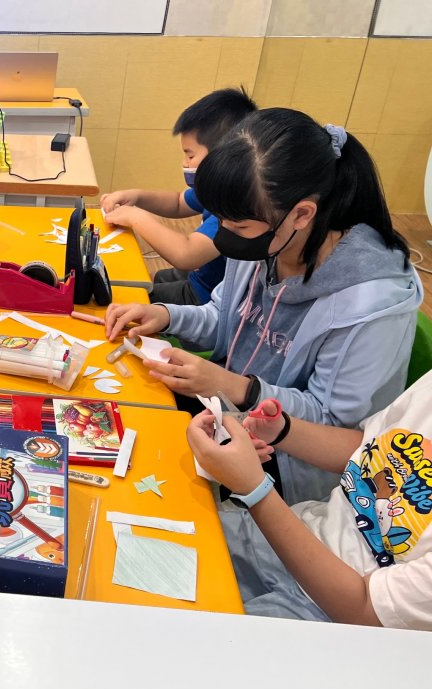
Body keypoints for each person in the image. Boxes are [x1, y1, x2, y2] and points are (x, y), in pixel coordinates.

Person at [105, 108, 422, 504]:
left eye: (238, 227)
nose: (225, 236)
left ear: (301, 214)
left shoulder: (369, 303)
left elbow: (334, 426)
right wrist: (167, 316)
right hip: (229, 411)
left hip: (289, 466)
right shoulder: (269, 242)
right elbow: (224, 317)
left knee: (146, 487)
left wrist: (235, 387)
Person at [188, 372, 432, 630]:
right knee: (169, 543)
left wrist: (255, 490)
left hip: (332, 615)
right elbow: (366, 446)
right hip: (296, 532)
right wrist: (282, 430)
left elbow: (363, 609)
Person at [100, 88, 257, 306]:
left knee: (134, 299)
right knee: (154, 278)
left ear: (222, 156)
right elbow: (177, 202)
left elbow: (186, 254)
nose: (185, 163)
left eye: (190, 155)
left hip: (206, 297)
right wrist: (136, 196)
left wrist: (136, 217)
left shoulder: (233, 207)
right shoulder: (213, 188)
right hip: (200, 274)